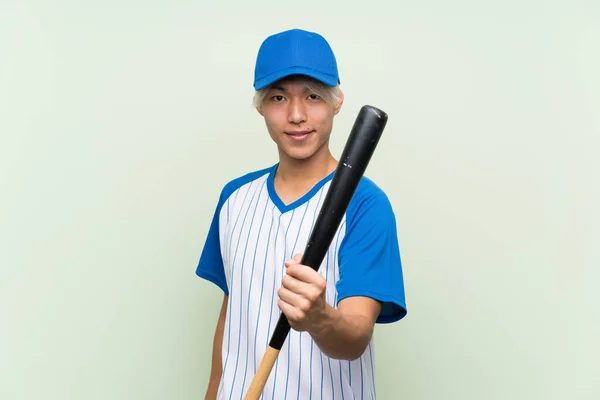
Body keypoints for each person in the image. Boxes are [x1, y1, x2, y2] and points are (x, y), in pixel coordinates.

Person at [196, 28, 407, 400]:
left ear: (337, 102)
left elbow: (355, 336)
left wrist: (319, 317)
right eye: (278, 97)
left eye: (313, 96)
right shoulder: (235, 197)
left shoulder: (367, 204)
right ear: (260, 106)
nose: (296, 115)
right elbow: (233, 315)